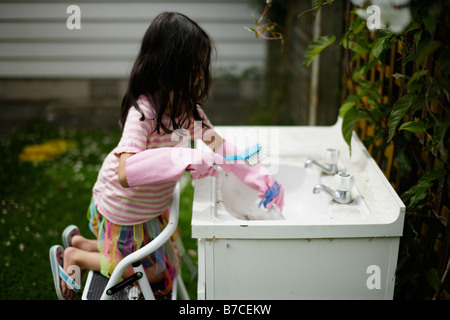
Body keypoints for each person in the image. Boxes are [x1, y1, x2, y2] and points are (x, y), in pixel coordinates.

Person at [49, 12, 284, 300]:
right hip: (125, 210)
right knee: (155, 273)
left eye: (201, 66)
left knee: (149, 265)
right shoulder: (143, 113)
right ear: (169, 66)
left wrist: (261, 179)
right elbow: (125, 173)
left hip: (149, 207)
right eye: (194, 67)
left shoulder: (188, 113)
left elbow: (221, 148)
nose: (200, 74)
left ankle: (81, 243)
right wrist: (183, 158)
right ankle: (76, 257)